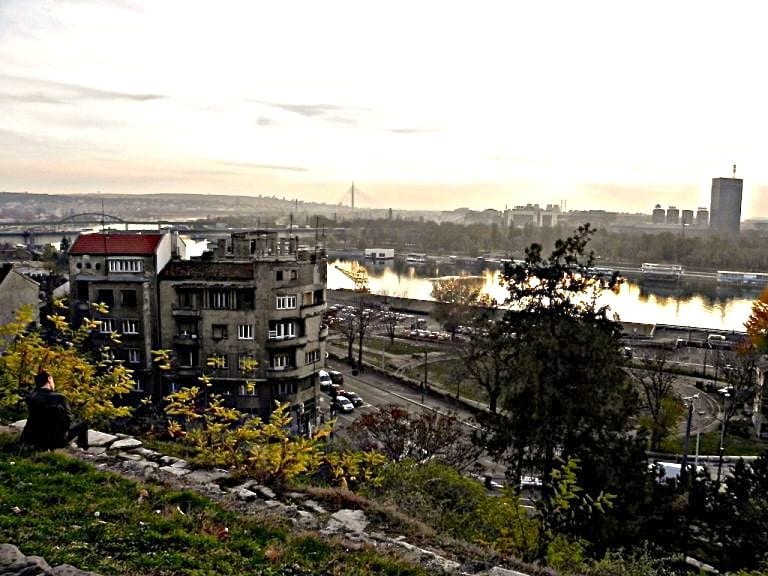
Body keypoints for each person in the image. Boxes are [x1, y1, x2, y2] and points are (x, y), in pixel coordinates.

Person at [20, 370, 89, 451]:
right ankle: (83, 449)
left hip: (31, 438)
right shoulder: (59, 398)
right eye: (52, 380)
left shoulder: (30, 396)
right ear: (49, 379)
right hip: (54, 441)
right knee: (83, 424)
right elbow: (68, 420)